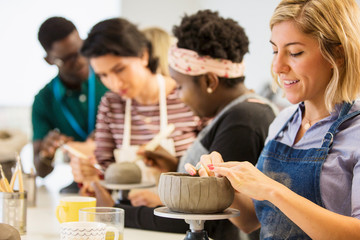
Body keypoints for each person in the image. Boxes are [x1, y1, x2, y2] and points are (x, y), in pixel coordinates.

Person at [90, 10, 277, 240]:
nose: (178, 95)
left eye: (179, 86)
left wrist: (118, 214)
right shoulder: (235, 114)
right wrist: (174, 165)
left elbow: (212, 218)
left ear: (209, 81)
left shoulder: (242, 122)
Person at [189, 0, 360, 239]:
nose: (278, 66)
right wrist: (219, 184)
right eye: (274, 51)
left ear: (338, 55)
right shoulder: (283, 123)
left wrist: (272, 189)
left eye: (295, 53)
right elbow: (251, 220)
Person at [69, 18, 199, 195]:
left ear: (143, 55)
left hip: (182, 214)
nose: (114, 83)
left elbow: (210, 172)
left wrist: (174, 167)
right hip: (128, 215)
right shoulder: (111, 104)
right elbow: (104, 169)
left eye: (119, 69)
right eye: (103, 75)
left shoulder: (187, 97)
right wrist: (90, 174)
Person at [33, 16, 108, 193]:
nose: (81, 60)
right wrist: (46, 153)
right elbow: (41, 171)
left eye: (82, 50)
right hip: (82, 180)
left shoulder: (108, 77)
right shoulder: (44, 99)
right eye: (68, 59)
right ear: (49, 60)